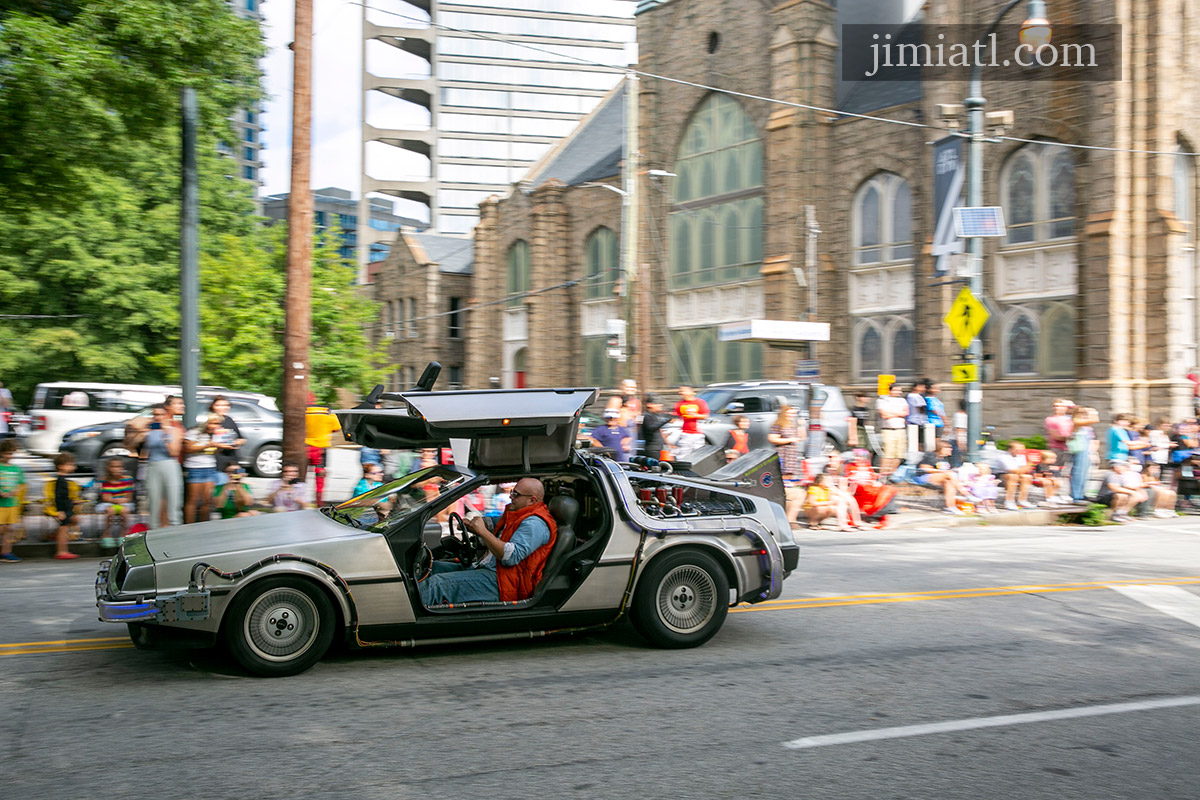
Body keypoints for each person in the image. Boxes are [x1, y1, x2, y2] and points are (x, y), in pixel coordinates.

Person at [419, 477, 557, 606]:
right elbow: (494, 525)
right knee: (432, 568)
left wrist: (482, 532)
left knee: (437, 585)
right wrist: (472, 526)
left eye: (516, 494)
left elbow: (510, 557)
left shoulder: (535, 524)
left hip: (504, 583)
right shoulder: (519, 515)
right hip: (491, 570)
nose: (510, 496)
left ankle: (404, 620)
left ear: (532, 500)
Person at [143, 403, 184, 528]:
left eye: (161, 414)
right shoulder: (149, 430)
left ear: (167, 414)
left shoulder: (175, 430)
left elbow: (174, 452)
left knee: (173, 500)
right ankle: (153, 530)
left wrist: (166, 434)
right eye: (155, 414)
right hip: (152, 465)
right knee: (153, 501)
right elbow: (135, 446)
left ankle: (175, 528)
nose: (158, 417)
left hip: (169, 464)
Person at [768, 403, 805, 523]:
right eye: (789, 412)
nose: (791, 415)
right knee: (783, 477)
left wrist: (801, 426)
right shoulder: (778, 424)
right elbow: (772, 438)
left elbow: (801, 437)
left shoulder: (793, 424)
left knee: (791, 478)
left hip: (792, 455)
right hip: (783, 453)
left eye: (793, 413)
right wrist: (789, 440)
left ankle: (790, 512)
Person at [305, 394, 343, 505]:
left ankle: (300, 500)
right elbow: (337, 428)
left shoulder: (302, 412)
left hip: (305, 446)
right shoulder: (328, 413)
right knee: (320, 476)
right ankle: (319, 502)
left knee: (301, 475)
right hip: (321, 448)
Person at [42, 452, 80, 559]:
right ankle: (61, 551)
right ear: (61, 466)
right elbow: (59, 497)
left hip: (67, 507)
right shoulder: (61, 481)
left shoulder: (63, 480)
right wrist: (60, 510)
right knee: (63, 529)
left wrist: (72, 502)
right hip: (63, 509)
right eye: (70, 464)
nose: (73, 466)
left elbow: (64, 496)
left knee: (73, 521)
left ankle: (55, 537)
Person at [916, 440, 967, 514]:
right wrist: (943, 472)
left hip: (940, 478)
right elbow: (924, 468)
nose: (951, 449)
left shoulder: (946, 459)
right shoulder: (931, 455)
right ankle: (966, 494)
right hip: (923, 477)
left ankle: (950, 507)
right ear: (941, 448)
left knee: (949, 483)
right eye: (948, 447)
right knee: (949, 475)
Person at [209, 396, 246, 487]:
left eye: (226, 405)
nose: (223, 408)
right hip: (217, 462)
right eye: (219, 405)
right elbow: (208, 442)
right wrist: (221, 445)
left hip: (232, 460)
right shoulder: (210, 421)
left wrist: (238, 442)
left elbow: (241, 438)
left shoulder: (229, 420)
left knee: (235, 487)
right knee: (220, 488)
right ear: (213, 407)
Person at [96, 458, 135, 545]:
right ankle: (106, 534)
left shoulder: (128, 479)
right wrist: (115, 500)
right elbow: (105, 497)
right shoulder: (104, 480)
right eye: (113, 467)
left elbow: (129, 497)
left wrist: (120, 500)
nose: (116, 469)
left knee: (124, 511)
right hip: (108, 503)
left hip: (124, 502)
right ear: (108, 468)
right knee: (110, 511)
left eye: (118, 467)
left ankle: (123, 533)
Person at [876, 383, 909, 477]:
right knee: (888, 453)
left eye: (900, 390)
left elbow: (906, 412)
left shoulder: (902, 400)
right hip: (888, 430)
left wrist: (892, 413)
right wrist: (899, 413)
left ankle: (892, 474)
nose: (899, 392)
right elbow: (885, 415)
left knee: (899, 454)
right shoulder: (882, 400)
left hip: (901, 429)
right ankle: (883, 474)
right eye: (896, 390)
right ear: (890, 390)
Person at [1068, 406, 1100, 501]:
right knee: (1079, 472)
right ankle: (1076, 495)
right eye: (1084, 413)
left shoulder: (1086, 427)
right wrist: (1093, 411)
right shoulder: (1076, 422)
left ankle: (1081, 493)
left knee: (1085, 474)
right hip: (1079, 450)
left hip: (1086, 450)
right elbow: (1095, 419)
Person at [0, 439, 24, 563]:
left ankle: (6, 552)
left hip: (11, 503)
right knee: (2, 528)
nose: (9, 456)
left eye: (11, 453)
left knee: (9, 529)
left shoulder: (16, 469)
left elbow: (21, 483)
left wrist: (17, 491)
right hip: (1, 504)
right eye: (7, 453)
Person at [672, 385, 709, 461]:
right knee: (682, 455)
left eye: (683, 391)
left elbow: (706, 416)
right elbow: (676, 417)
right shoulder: (679, 404)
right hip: (685, 433)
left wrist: (696, 415)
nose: (681, 393)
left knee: (698, 455)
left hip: (697, 434)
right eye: (680, 391)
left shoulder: (699, 402)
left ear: (691, 392)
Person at [999, 441, 1037, 510]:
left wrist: (1025, 468)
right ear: (1010, 450)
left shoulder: (1021, 457)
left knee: (1027, 477)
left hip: (1017, 474)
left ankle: (1022, 500)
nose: (1021, 452)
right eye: (1018, 450)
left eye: (1022, 450)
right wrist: (1029, 464)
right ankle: (1009, 501)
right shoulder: (1004, 457)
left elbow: (1024, 471)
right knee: (1013, 476)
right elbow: (1014, 471)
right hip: (1001, 475)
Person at [640, 395, 672, 459]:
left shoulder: (654, 416)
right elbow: (650, 428)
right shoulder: (646, 416)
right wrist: (665, 420)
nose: (660, 405)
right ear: (649, 405)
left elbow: (659, 429)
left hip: (659, 448)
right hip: (652, 449)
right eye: (656, 403)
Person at [905, 380, 929, 453]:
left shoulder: (909, 396)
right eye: (922, 387)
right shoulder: (916, 396)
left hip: (912, 420)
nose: (923, 389)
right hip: (917, 421)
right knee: (919, 442)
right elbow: (921, 408)